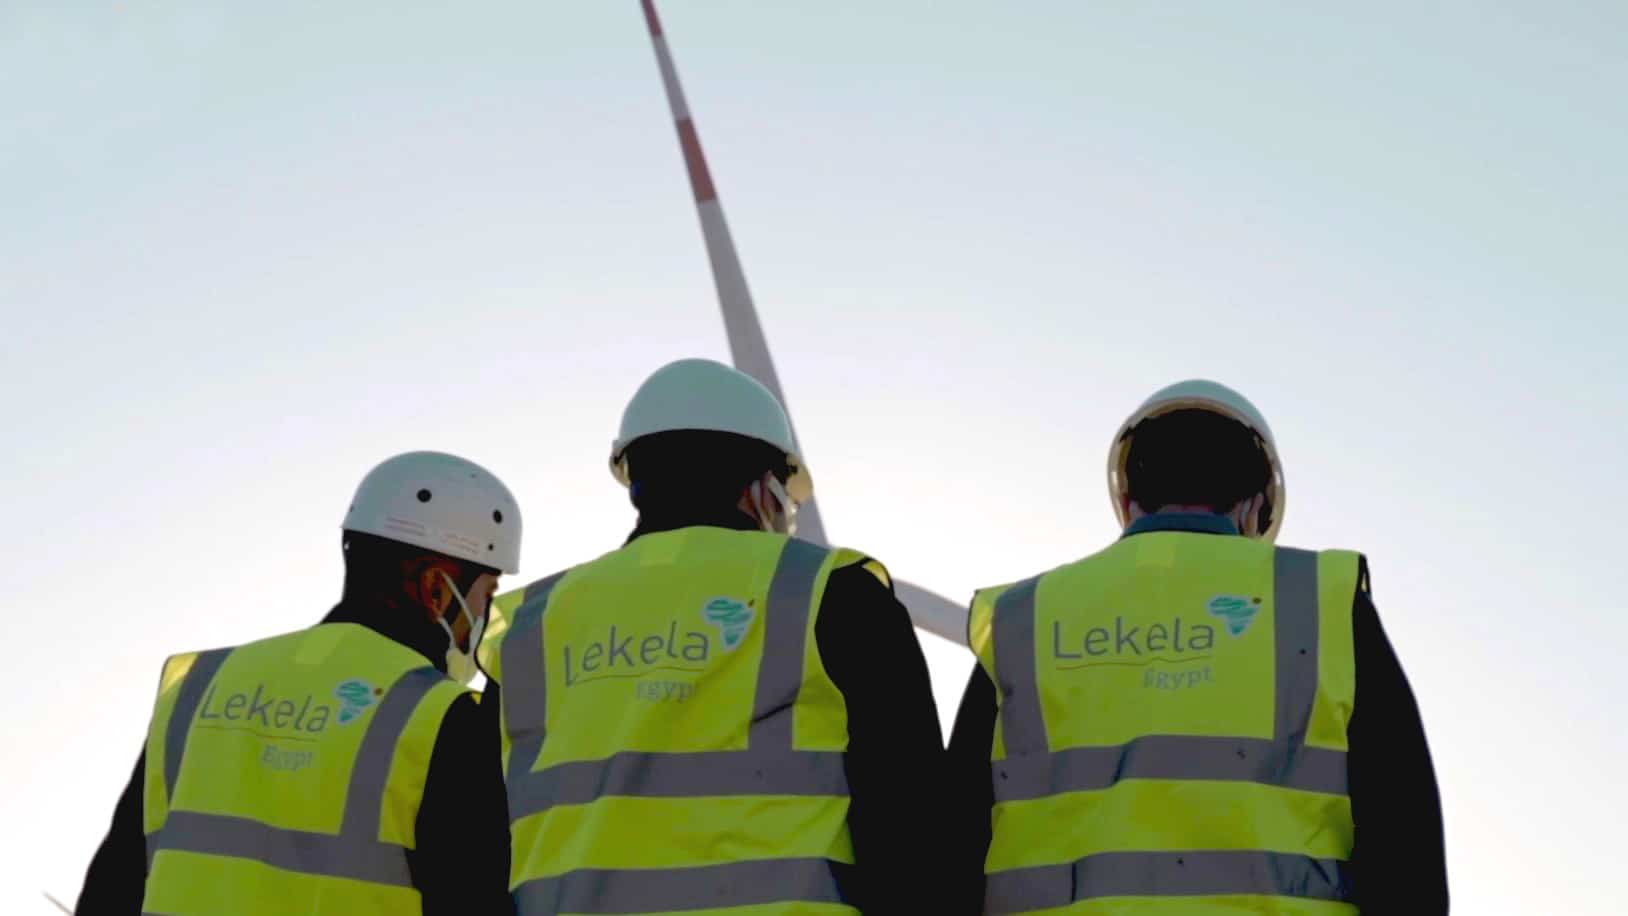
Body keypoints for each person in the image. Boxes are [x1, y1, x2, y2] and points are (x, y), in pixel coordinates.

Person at [945, 380, 1448, 914]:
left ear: (1125, 499)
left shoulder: (1026, 619)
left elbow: (946, 845)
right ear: (1256, 507)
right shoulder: (1319, 600)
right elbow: (1405, 841)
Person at [478, 358, 943, 915]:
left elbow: (477, 841)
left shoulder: (532, 623)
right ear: (763, 488)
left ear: (636, 482)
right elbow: (915, 826)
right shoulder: (830, 591)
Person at [77, 451, 522, 915]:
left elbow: (114, 886)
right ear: (436, 587)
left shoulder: (197, 689)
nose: (484, 618)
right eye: (486, 595)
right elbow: (474, 897)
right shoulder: (442, 716)